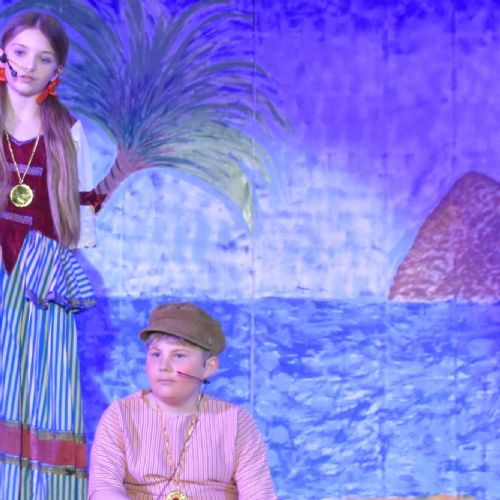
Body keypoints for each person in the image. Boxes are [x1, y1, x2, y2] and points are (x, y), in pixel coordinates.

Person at [0, 11, 103, 499]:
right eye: (20, 52)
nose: (28, 66)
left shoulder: (68, 130)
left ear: (57, 70)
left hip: (42, 277)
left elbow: (78, 220)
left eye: (43, 58)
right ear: (3, 53)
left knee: (45, 396)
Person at [88, 302, 277, 499]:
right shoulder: (120, 415)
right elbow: (104, 488)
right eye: (156, 354)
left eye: (178, 355)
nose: (163, 366)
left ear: (208, 367)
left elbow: (259, 494)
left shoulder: (236, 421)